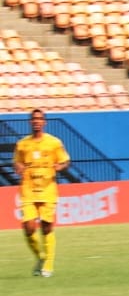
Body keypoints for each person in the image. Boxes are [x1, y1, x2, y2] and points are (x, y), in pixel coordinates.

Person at [12, 108, 69, 277]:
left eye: (39, 119)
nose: (37, 121)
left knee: (46, 226)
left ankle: (48, 265)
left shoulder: (54, 142)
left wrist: (60, 166)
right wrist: (18, 167)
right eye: (34, 119)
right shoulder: (22, 144)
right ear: (30, 122)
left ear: (44, 122)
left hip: (47, 189)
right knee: (28, 227)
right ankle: (41, 257)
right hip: (28, 189)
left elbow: (65, 160)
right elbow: (17, 162)